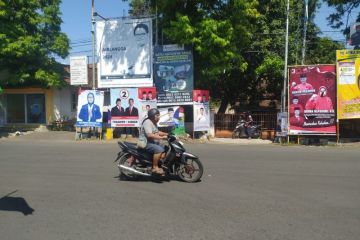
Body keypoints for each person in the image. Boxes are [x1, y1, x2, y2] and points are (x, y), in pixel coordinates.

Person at [139, 108, 168, 175]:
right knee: (159, 150)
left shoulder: (154, 122)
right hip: (146, 143)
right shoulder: (147, 122)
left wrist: (167, 134)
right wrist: (162, 137)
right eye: (157, 115)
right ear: (152, 115)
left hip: (151, 142)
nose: (159, 117)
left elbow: (157, 132)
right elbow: (149, 135)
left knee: (166, 148)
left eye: (159, 115)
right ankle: (154, 167)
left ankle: (159, 163)